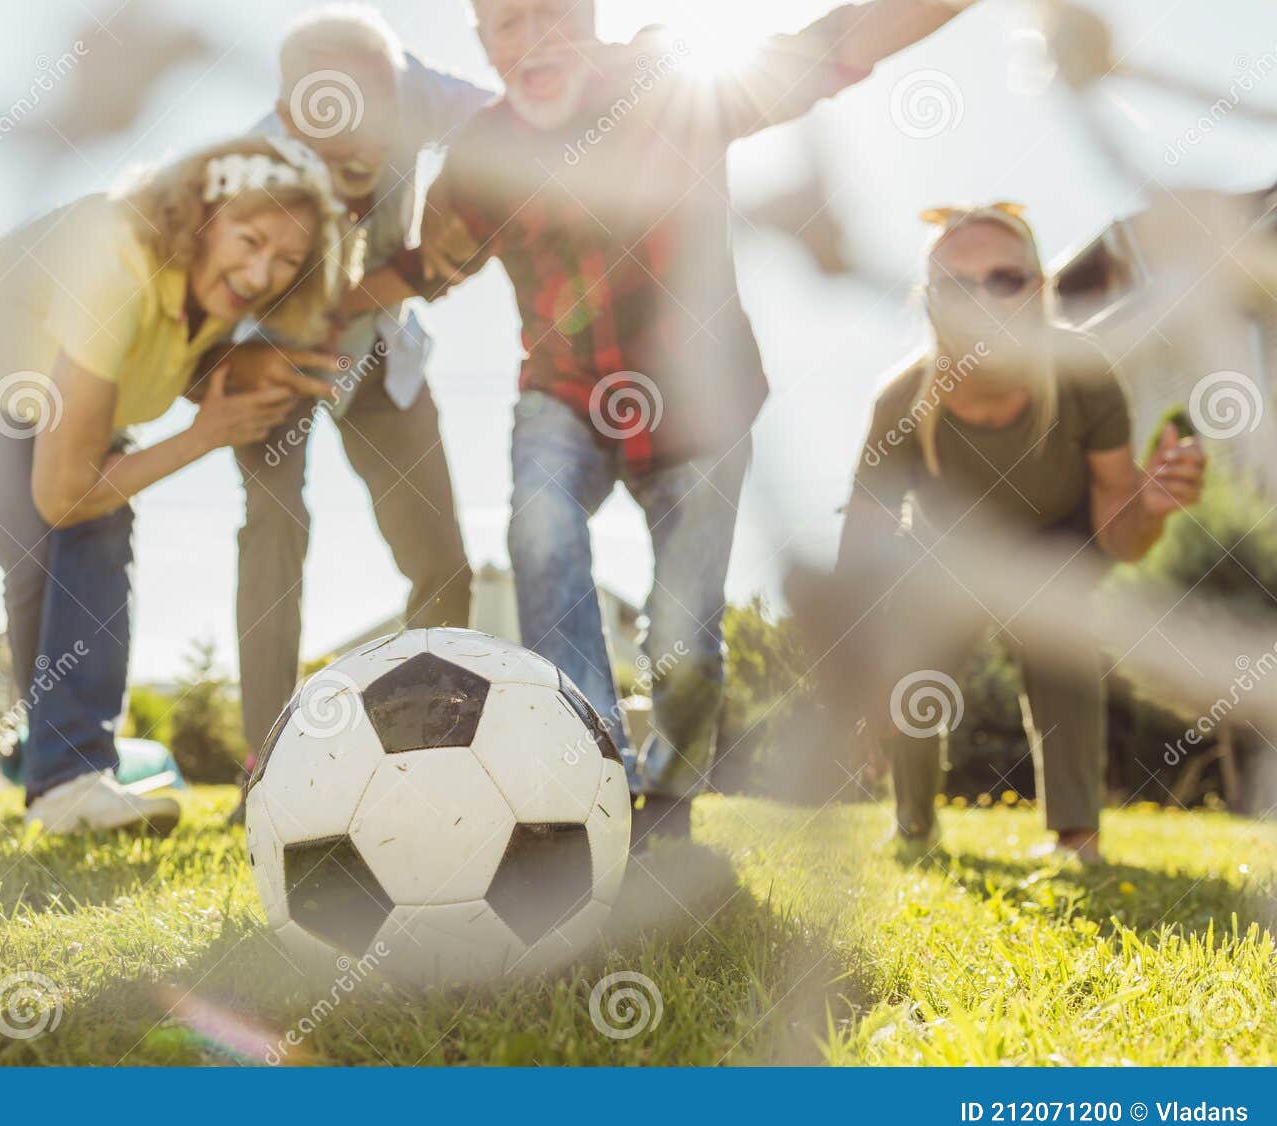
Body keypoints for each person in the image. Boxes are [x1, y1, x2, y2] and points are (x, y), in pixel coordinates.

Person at [396, 0, 974, 847]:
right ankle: (590, 772)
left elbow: (833, 46)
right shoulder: (483, 152)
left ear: (590, 17)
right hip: (566, 396)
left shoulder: (669, 84)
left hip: (702, 409)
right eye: (506, 26)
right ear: (484, 46)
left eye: (550, 15)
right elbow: (421, 267)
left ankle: (668, 801)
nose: (532, 41)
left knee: (686, 643)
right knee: (543, 526)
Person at [0, 137, 352, 834]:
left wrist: (257, 369)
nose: (260, 274)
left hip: (43, 400)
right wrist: (206, 433)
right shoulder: (116, 258)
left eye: (286, 261)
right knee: (86, 521)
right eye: (251, 240)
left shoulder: (209, 283)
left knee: (52, 552)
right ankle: (67, 775)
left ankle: (49, 769)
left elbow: (168, 360)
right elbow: (66, 492)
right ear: (201, 215)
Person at [836, 203, 1206, 863]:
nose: (982, 301)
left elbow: (1123, 540)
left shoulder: (1084, 377)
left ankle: (1075, 838)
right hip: (942, 559)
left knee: (1063, 635)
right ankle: (915, 827)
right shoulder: (899, 402)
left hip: (1053, 548)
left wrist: (1148, 507)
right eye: (956, 285)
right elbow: (860, 549)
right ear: (929, 302)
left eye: (1005, 280)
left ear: (1039, 291)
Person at [212, 7, 494, 777]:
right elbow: (282, 307)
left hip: (381, 357)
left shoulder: (419, 90)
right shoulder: (252, 165)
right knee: (275, 526)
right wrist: (408, 272)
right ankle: (265, 761)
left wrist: (457, 202)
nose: (373, 144)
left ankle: (433, 746)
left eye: (386, 119)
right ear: (295, 114)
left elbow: (516, 128)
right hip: (272, 349)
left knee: (440, 556)